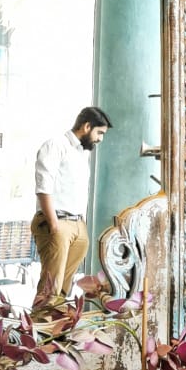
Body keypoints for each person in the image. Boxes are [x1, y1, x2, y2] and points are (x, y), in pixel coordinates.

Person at [31, 106, 112, 306]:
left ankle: (54, 323)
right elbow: (43, 186)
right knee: (50, 288)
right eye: (99, 133)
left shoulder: (82, 153)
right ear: (87, 126)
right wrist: (54, 224)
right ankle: (39, 324)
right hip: (57, 221)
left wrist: (80, 225)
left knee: (62, 290)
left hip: (77, 225)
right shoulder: (55, 145)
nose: (100, 139)